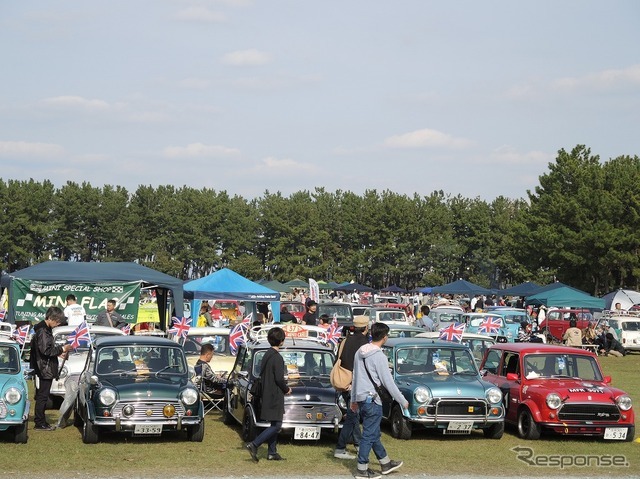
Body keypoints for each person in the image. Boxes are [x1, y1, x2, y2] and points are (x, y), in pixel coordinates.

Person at [351, 322, 407, 479]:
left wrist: (353, 400)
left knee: (373, 433)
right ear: (384, 337)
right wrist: (402, 401)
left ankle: (385, 463)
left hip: (361, 398)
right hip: (373, 400)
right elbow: (388, 382)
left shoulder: (359, 352)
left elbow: (355, 377)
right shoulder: (379, 356)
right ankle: (362, 469)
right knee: (368, 435)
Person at [246, 327, 291, 462]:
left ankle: (272, 452)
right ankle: (254, 444)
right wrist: (287, 389)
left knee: (274, 423)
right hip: (274, 394)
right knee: (277, 425)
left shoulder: (267, 354)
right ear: (282, 341)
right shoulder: (277, 358)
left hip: (267, 392)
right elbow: (279, 379)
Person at [333, 315, 370, 460]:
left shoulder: (345, 341)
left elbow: (338, 359)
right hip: (356, 384)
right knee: (353, 416)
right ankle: (342, 447)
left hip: (344, 382)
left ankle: (358, 444)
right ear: (366, 328)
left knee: (353, 415)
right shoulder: (365, 343)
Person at [31, 306, 73, 430]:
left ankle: (41, 420)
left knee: (42, 396)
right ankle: (39, 422)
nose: (58, 324)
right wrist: (62, 349)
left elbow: (46, 349)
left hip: (44, 365)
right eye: (56, 321)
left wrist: (58, 352)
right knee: (43, 396)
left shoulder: (44, 329)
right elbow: (46, 350)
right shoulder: (43, 331)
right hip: (45, 367)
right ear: (50, 318)